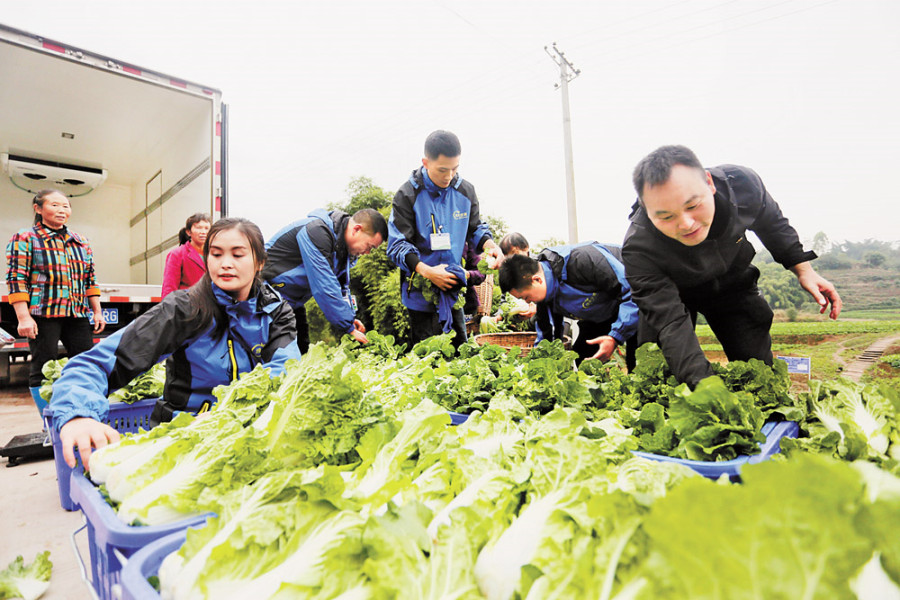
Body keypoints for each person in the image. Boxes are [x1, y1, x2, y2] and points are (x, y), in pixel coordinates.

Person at [50, 217, 301, 469]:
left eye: (238, 255)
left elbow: (285, 373)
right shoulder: (184, 309)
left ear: (259, 263)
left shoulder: (276, 312)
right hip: (180, 437)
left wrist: (239, 423)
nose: (225, 264)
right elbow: (95, 364)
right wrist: (79, 414)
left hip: (246, 438)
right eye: (215, 254)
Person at [623, 144, 841, 387]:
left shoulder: (742, 185)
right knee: (659, 374)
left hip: (732, 283)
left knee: (757, 374)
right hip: (674, 295)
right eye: (666, 217)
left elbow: (771, 223)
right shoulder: (639, 249)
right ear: (646, 208)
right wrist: (706, 389)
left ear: (709, 182)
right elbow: (671, 324)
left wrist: (803, 269)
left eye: (693, 206)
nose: (685, 224)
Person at [387, 130, 502, 348]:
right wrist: (429, 272)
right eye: (442, 170)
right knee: (428, 362)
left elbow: (476, 228)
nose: (449, 176)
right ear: (425, 162)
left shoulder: (465, 191)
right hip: (420, 296)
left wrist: (491, 245)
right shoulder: (407, 195)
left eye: (454, 169)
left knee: (461, 357)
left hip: (453, 290)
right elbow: (397, 245)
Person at [5, 189, 106, 418]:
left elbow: (90, 279)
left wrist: (97, 312)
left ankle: (87, 413)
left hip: (76, 314)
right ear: (38, 209)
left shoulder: (80, 241)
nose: (62, 210)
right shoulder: (25, 238)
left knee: (87, 365)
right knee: (43, 367)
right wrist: (23, 317)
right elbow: (16, 278)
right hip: (43, 314)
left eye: (66, 206)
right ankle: (49, 420)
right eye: (55, 205)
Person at [263, 208, 387, 352]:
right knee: (277, 355)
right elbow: (324, 285)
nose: (367, 253)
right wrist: (347, 326)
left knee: (301, 351)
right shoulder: (316, 232)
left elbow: (340, 287)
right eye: (369, 246)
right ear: (356, 229)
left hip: (290, 302)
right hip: (264, 296)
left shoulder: (342, 251)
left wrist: (349, 318)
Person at [498, 242, 639, 369]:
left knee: (639, 361)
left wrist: (615, 337)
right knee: (583, 360)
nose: (527, 302)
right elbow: (546, 340)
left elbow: (633, 291)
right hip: (601, 311)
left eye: (526, 297)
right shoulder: (545, 296)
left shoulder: (582, 260)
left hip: (639, 298)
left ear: (537, 280)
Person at [161, 212, 210, 297]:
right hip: (187, 305)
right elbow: (169, 288)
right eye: (198, 228)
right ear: (188, 232)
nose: (203, 232)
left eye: (206, 228)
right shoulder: (177, 254)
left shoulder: (215, 254)